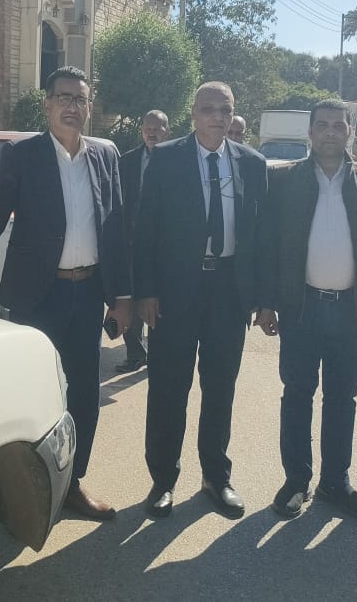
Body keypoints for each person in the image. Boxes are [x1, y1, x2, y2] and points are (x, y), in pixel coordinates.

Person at [0, 67, 131, 521]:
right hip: (37, 296)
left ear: (89, 106)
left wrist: (122, 295)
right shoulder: (22, 155)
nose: (72, 107)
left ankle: (72, 484)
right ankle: (20, 490)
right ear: (47, 104)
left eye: (80, 99)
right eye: (63, 97)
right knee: (29, 393)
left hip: (87, 294)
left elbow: (116, 226)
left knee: (83, 394)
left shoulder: (105, 156)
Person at [255, 98, 357, 521]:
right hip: (300, 309)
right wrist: (265, 303)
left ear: (350, 132)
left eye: (339, 125)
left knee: (342, 399)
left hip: (352, 312)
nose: (330, 132)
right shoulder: (283, 181)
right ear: (310, 132)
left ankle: (335, 483)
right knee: (297, 395)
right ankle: (296, 482)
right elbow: (268, 246)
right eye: (322, 125)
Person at [134, 82, 267, 519]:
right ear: (193, 114)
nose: (217, 117)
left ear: (233, 114)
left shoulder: (252, 163)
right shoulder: (166, 158)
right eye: (208, 109)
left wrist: (261, 297)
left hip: (229, 292)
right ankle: (162, 481)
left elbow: (260, 236)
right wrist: (146, 291)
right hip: (175, 291)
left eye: (225, 110)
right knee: (168, 389)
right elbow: (146, 229)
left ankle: (215, 477)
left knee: (220, 388)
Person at [116, 109, 170, 374]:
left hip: (164, 246)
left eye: (157, 129)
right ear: (142, 131)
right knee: (131, 298)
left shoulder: (177, 160)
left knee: (160, 301)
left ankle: (161, 356)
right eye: (148, 129)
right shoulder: (127, 161)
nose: (152, 133)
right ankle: (136, 354)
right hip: (131, 243)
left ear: (167, 131)